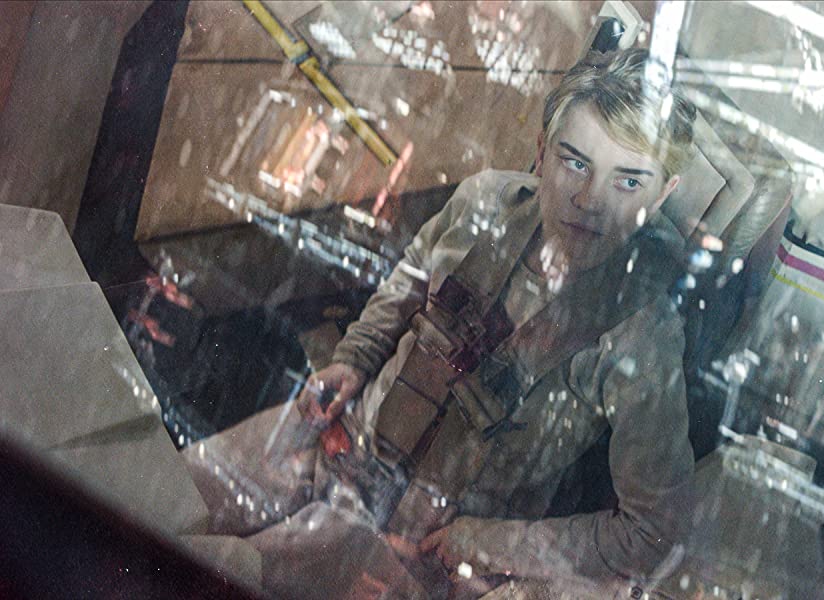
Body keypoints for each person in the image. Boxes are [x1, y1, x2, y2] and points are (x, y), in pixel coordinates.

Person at [184, 48, 698, 599]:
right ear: (542, 151)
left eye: (628, 182)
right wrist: (355, 359)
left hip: (418, 545)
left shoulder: (642, 335)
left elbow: (653, 530)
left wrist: (489, 543)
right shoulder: (484, 202)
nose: (589, 200)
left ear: (663, 194)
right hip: (341, 439)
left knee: (216, 573)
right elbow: (413, 273)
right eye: (575, 162)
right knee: (164, 491)